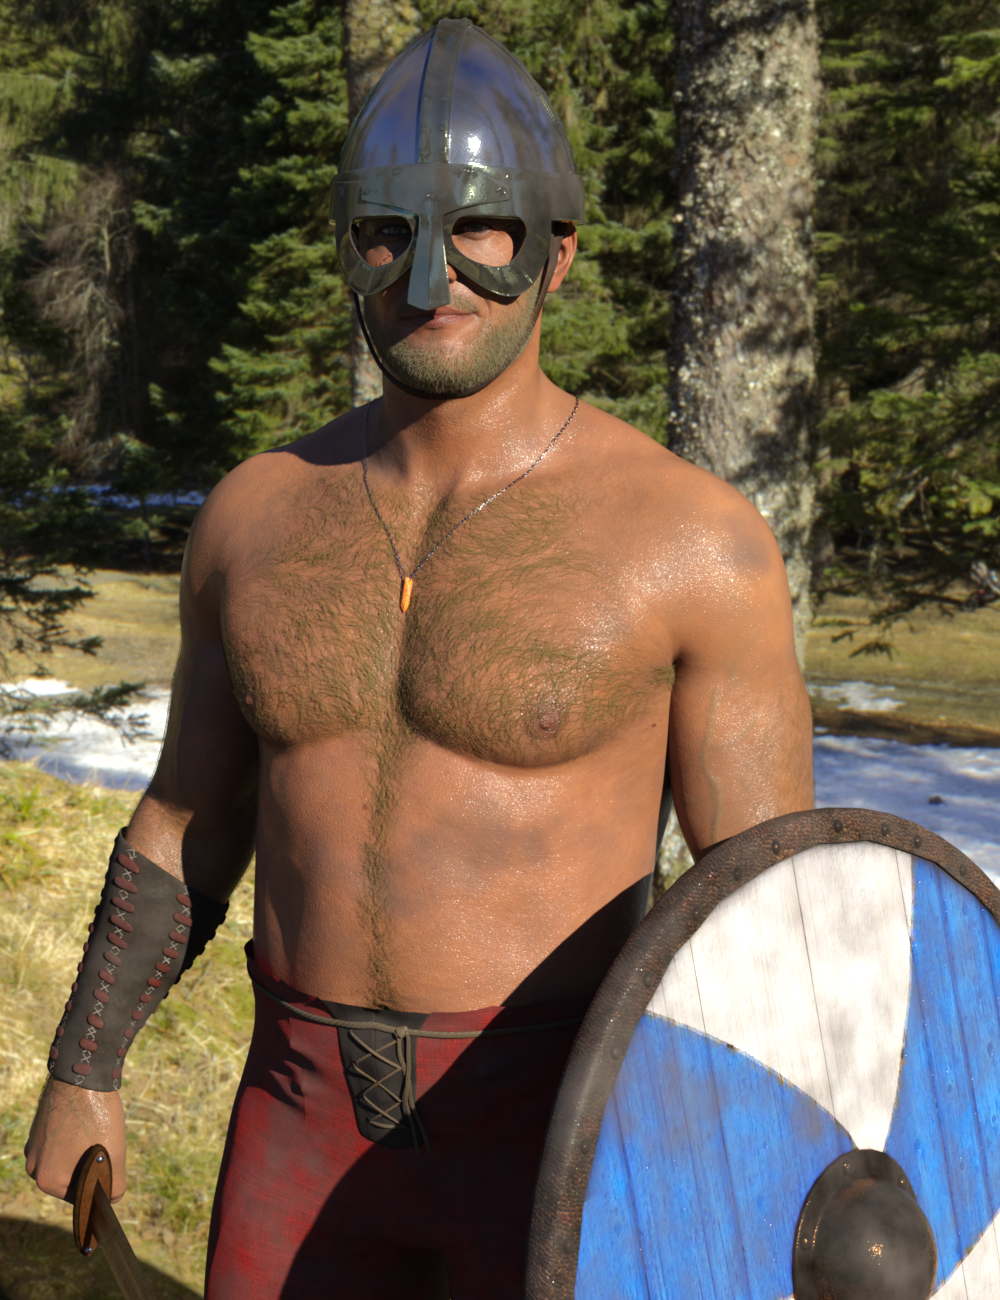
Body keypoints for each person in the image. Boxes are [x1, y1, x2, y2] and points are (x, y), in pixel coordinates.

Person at [24, 18, 813, 1299]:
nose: (430, 277)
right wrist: (86, 1063)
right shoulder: (255, 517)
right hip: (294, 1116)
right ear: (348, 244)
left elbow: (770, 911)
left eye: (480, 230)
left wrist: (764, 1185)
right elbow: (184, 824)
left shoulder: (694, 544)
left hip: (556, 1135)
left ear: (558, 252)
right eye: (388, 232)